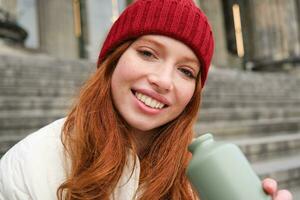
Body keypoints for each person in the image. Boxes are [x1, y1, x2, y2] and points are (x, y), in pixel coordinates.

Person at [0, 0, 293, 199]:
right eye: (148, 53)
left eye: (186, 71)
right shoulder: (27, 164)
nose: (163, 81)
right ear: (114, 60)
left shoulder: (201, 177)